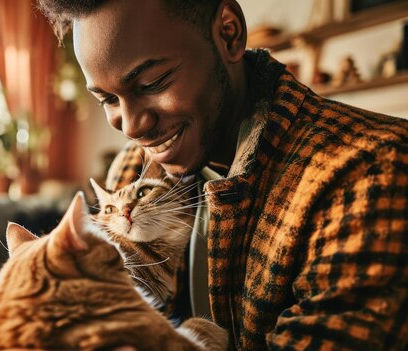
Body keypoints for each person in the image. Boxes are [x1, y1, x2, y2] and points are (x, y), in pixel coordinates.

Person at [35, 0, 408, 350]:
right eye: (108, 100)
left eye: (152, 83)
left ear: (229, 33)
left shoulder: (371, 173)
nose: (131, 127)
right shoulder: (131, 170)